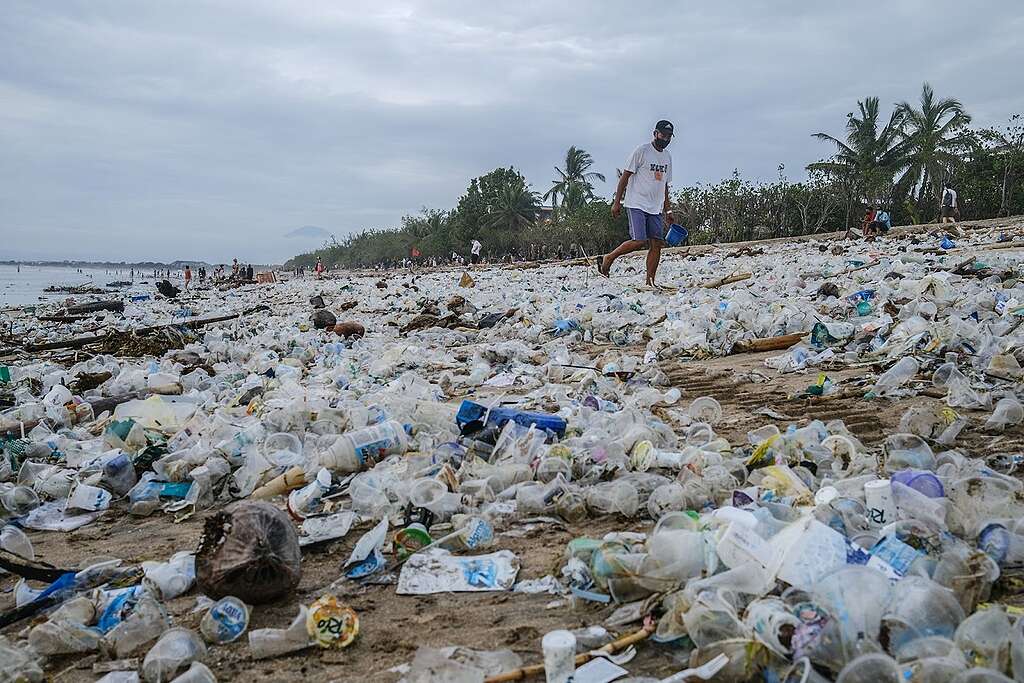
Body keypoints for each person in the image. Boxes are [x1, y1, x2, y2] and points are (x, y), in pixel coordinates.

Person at [600, 119, 676, 288]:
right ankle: (609, 257)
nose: (666, 139)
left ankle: (650, 282)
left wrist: (668, 210)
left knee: (657, 243)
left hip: (655, 206)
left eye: (669, 136)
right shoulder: (642, 151)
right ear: (655, 133)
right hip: (637, 203)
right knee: (639, 240)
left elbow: (664, 185)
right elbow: (624, 177)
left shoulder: (668, 157)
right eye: (663, 135)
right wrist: (617, 202)